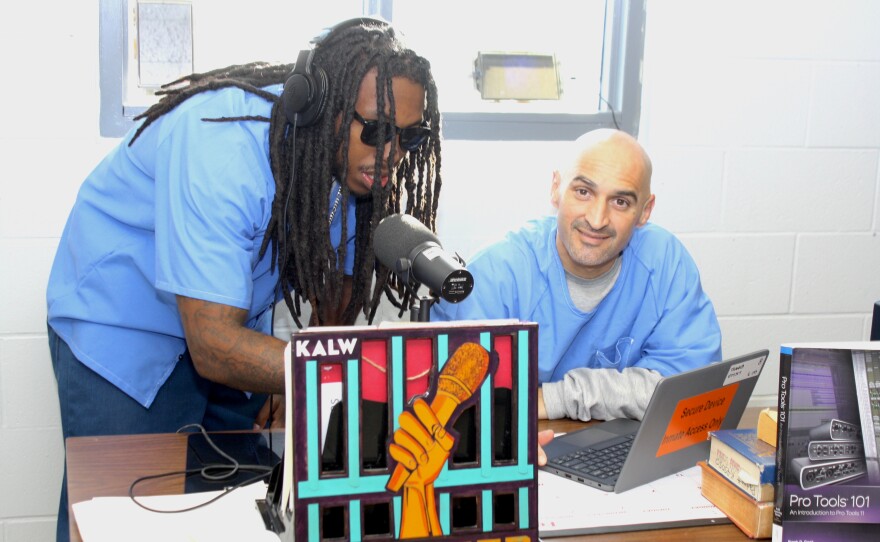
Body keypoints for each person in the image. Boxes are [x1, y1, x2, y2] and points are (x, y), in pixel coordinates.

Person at [46, 17, 442, 541]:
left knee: (254, 509)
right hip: (123, 327)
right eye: (377, 131)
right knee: (125, 519)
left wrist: (294, 372)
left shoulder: (360, 166)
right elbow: (212, 344)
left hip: (226, 325)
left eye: (410, 137)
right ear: (322, 106)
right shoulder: (222, 142)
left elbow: (336, 289)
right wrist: (306, 371)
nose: (392, 154)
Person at [432, 128, 721, 455]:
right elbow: (454, 403)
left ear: (645, 210)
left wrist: (551, 398)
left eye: (621, 201)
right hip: (520, 451)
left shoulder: (665, 262)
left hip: (618, 453)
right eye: (583, 191)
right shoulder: (497, 273)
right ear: (556, 189)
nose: (597, 220)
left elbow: (694, 394)